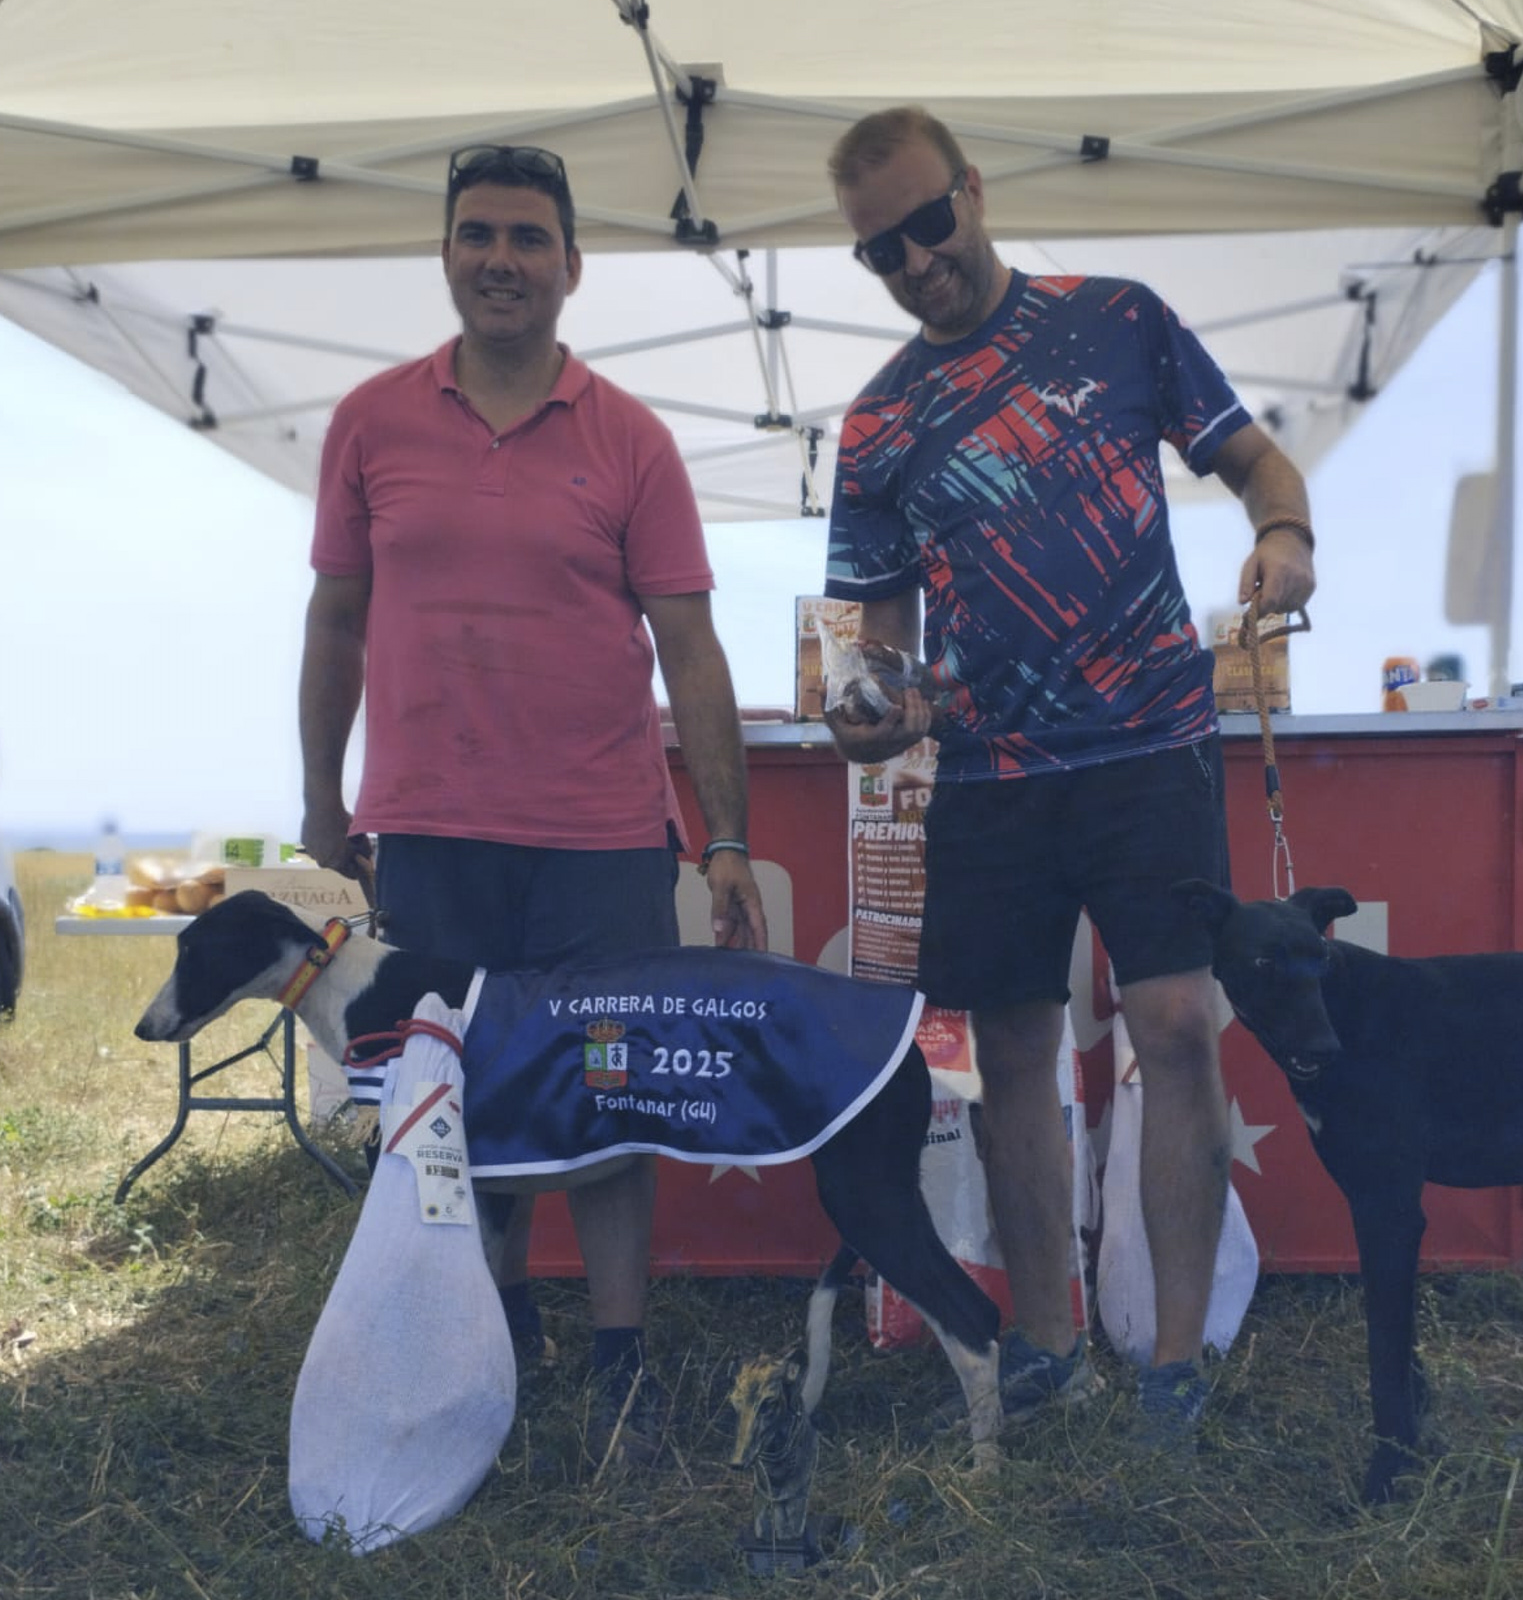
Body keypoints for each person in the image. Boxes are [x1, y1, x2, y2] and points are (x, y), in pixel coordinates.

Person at [821, 107, 1315, 1444]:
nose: (917, 261)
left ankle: (1174, 1364)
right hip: (989, 775)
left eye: (930, 223)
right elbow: (874, 645)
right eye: (881, 251)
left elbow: (1256, 459)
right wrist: (867, 707)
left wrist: (1287, 535)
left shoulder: (1119, 318)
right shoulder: (875, 423)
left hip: (1152, 746)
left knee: (1178, 1025)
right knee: (1011, 1057)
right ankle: (1046, 1344)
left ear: (974, 191)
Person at [299, 142, 767, 1463]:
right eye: (477, 234)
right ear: (446, 253)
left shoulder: (632, 439)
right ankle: (487, 1341)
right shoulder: (370, 421)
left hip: (601, 838)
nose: (499, 259)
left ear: (571, 265)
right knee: (452, 1097)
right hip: (430, 833)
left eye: (525, 238)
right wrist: (322, 803)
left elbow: (691, 651)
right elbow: (335, 624)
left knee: (612, 1096)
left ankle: (622, 1365)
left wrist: (727, 839)